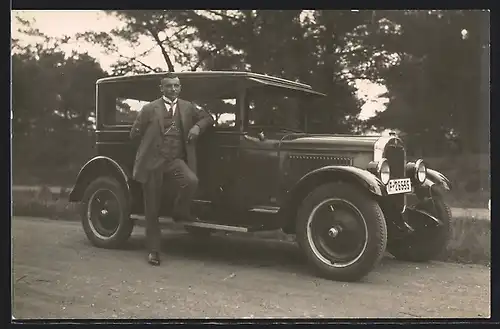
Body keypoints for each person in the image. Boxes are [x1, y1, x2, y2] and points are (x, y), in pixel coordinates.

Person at [130, 72, 214, 266]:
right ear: (162, 88)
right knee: (152, 210)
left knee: (191, 181)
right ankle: (153, 251)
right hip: (152, 165)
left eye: (176, 86)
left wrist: (197, 128)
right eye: (169, 86)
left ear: (180, 88)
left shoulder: (187, 107)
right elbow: (134, 133)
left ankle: (180, 211)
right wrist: (149, 147)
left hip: (174, 161)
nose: (173, 89)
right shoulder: (149, 109)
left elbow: (208, 117)